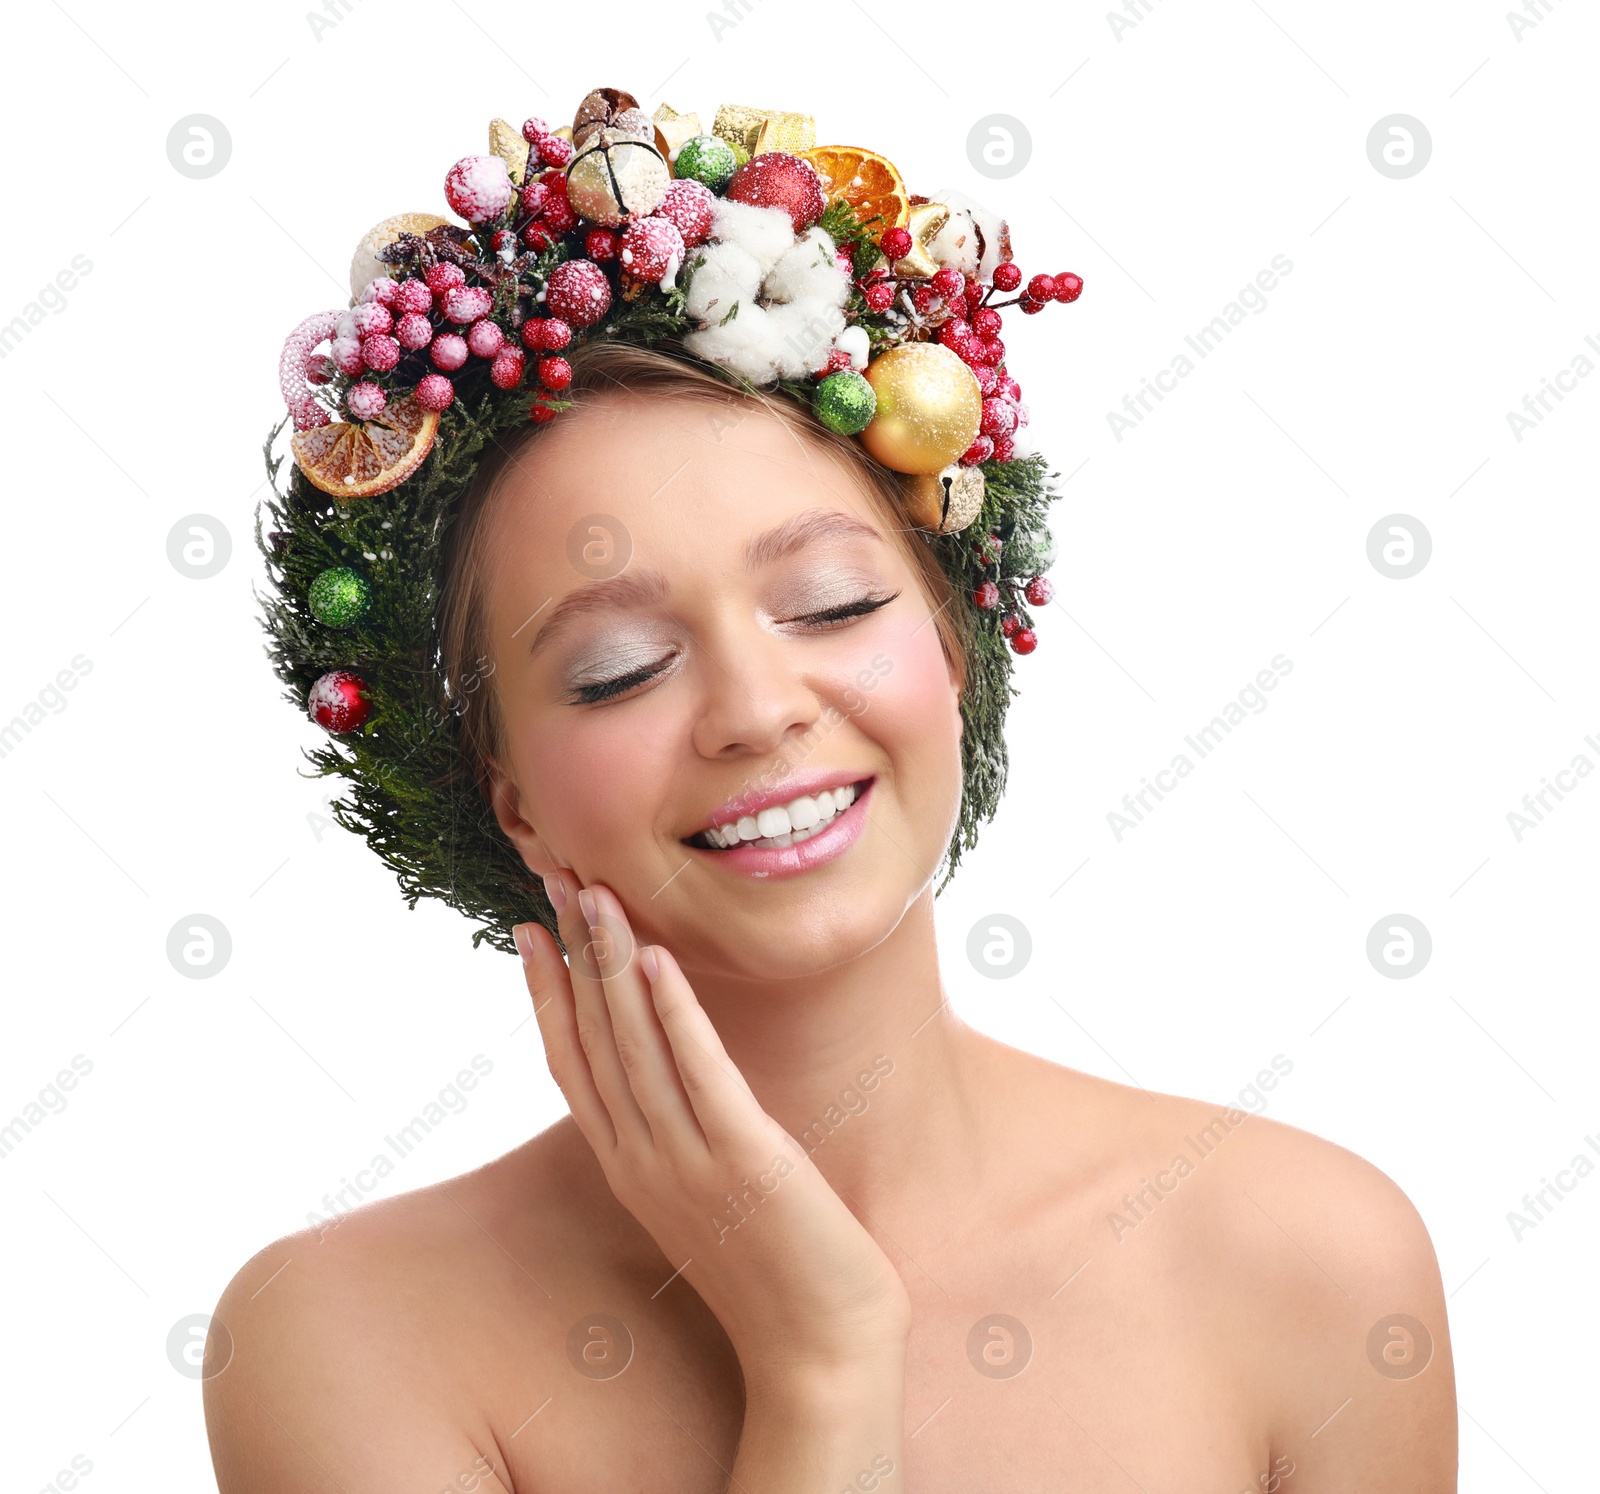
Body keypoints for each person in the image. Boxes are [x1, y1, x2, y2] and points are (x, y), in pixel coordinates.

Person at [212, 91, 1457, 1492]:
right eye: (619, 668)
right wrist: (821, 1356)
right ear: (509, 801)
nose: (756, 710)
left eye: (831, 599)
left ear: (949, 641)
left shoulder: (1309, 1264)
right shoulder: (351, 1339)